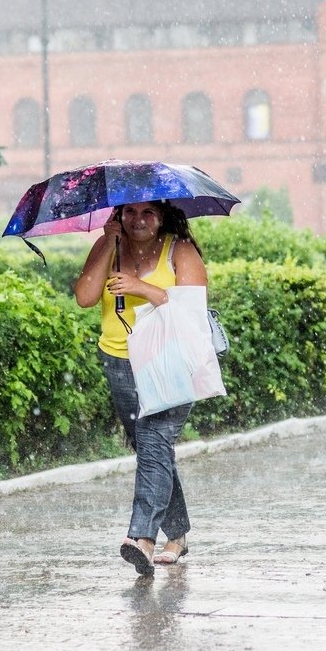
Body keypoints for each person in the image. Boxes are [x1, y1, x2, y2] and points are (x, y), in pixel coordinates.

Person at [74, 199, 208, 576]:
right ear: (117, 216)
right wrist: (106, 245)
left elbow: (192, 311)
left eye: (147, 212)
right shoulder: (107, 247)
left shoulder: (179, 250)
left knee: (152, 442)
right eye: (128, 212)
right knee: (152, 448)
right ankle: (178, 535)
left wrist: (141, 287)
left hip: (171, 361)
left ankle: (142, 539)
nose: (138, 220)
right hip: (119, 361)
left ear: (162, 216)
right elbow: (85, 298)